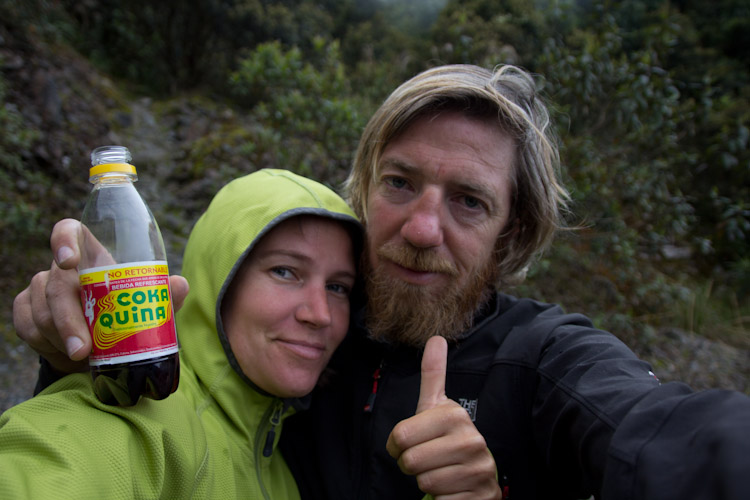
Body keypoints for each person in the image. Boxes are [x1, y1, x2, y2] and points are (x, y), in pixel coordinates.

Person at [14, 64, 750, 499]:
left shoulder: (546, 362)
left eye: (469, 202)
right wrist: (72, 357)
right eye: (400, 183)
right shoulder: (309, 347)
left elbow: (667, 435)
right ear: (364, 192)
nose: (422, 228)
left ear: (511, 235)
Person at [1, 168, 363, 499]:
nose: (319, 315)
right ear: (218, 282)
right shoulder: (150, 416)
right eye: (285, 271)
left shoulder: (289, 467)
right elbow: (57, 462)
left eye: (338, 287)